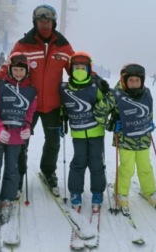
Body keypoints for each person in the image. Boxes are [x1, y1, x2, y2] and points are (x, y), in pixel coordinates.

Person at [0, 4, 74, 196]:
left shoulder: (63, 46)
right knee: (20, 142)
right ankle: (17, 175)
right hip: (25, 104)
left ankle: (48, 171)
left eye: (48, 20)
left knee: (53, 142)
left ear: (53, 22)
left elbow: (78, 69)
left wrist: (95, 79)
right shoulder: (23, 45)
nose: (44, 24)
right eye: (41, 20)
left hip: (53, 104)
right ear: (35, 22)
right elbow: (8, 67)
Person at [0, 52, 37, 230]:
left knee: (13, 169)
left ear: (27, 71)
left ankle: (7, 199)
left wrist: (27, 127)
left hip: (17, 137)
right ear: (10, 69)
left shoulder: (31, 91)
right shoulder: (0, 86)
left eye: (21, 70)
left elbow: (29, 112)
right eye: (15, 69)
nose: (18, 73)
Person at [95, 63, 156, 213]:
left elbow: (147, 111)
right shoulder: (116, 95)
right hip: (125, 139)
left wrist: (149, 123)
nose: (134, 83)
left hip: (144, 138)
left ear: (142, 80)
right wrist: (111, 126)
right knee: (127, 168)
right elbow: (99, 112)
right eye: (131, 80)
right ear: (124, 80)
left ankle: (149, 191)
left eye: (137, 80)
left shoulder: (146, 93)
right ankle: (121, 193)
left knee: (146, 167)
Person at [59, 51, 107, 212]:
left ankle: (98, 192)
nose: (79, 70)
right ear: (71, 69)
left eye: (83, 67)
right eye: (76, 67)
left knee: (96, 163)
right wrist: (61, 120)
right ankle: (75, 192)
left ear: (88, 69)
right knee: (78, 163)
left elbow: (106, 104)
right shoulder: (65, 88)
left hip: (96, 133)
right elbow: (61, 107)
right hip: (78, 133)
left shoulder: (95, 86)